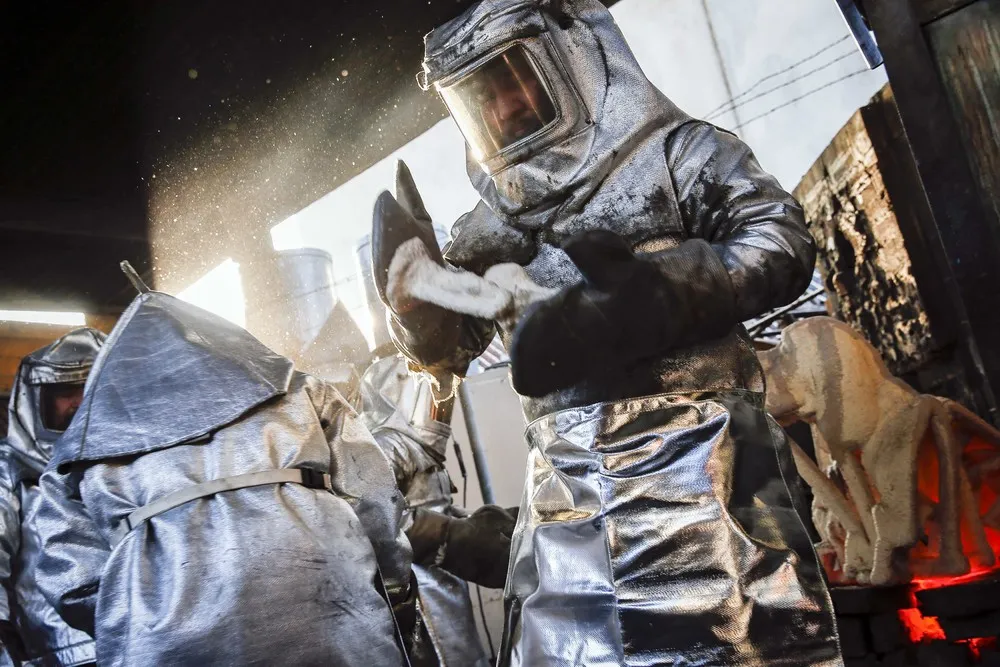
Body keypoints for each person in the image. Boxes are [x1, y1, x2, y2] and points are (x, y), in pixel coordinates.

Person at [371, 0, 843, 664]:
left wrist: (665, 292)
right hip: (571, 503)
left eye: (511, 76)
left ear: (569, 56)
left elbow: (781, 237)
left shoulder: (677, 154)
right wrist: (418, 308)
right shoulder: (490, 225)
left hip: (714, 470)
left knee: (749, 646)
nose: (502, 107)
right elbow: (450, 353)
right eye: (479, 97)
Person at [32, 285, 418, 667]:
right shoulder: (301, 392)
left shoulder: (76, 456)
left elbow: (72, 584)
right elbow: (375, 501)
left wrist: (137, 623)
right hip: (338, 626)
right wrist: (395, 592)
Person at [356, 233, 511, 667]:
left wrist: (475, 524)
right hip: (420, 597)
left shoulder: (430, 400)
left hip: (452, 592)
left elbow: (428, 487)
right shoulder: (392, 388)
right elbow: (370, 505)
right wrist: (447, 536)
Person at [0, 328, 104, 667]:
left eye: (90, 389)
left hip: (142, 647)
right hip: (53, 657)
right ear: (37, 398)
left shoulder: (140, 467)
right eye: (65, 391)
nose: (79, 401)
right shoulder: (9, 469)